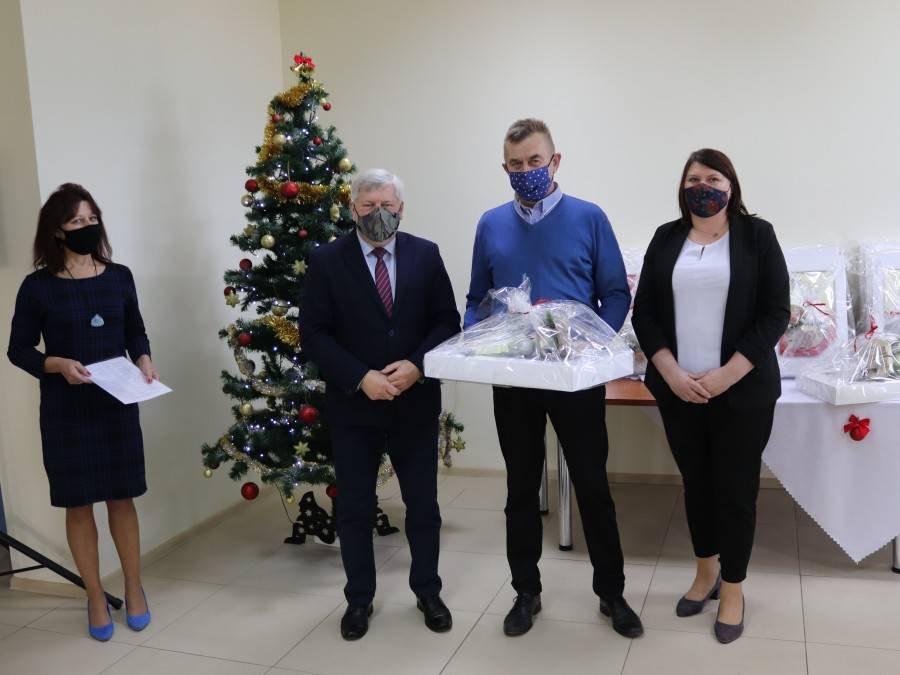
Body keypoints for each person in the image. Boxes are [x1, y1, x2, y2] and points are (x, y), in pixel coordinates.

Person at [464, 119, 643, 639]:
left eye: (535, 162)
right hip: (514, 378)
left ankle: (612, 593)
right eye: (516, 165)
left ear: (555, 161)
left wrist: (591, 344)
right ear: (505, 168)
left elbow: (615, 294)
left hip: (575, 377)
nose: (526, 171)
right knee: (521, 488)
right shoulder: (490, 225)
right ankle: (525, 591)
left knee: (592, 484)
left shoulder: (589, 218)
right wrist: (474, 343)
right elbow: (478, 300)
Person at [632, 149, 790, 643]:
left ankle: (734, 588)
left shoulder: (757, 235)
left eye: (713, 178)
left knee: (736, 490)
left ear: (731, 186)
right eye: (693, 179)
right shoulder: (666, 237)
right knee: (697, 483)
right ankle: (706, 572)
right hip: (679, 390)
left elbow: (775, 312)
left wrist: (728, 375)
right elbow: (644, 312)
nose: (703, 186)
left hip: (741, 390)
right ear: (682, 188)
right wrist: (671, 372)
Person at [299, 168, 461, 640]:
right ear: (352, 208)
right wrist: (359, 377)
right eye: (369, 206)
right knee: (353, 508)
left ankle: (428, 591)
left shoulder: (425, 254)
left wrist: (417, 365)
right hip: (355, 408)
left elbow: (446, 320)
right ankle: (358, 599)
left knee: (423, 506)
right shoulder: (327, 260)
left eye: (387, 205)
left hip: (415, 403)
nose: (379, 214)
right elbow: (314, 334)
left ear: (401, 208)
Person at [7, 183, 158, 642]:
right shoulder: (38, 287)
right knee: (79, 504)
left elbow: (136, 332)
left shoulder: (119, 276)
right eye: (77, 222)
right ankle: (94, 596)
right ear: (57, 231)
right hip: (66, 409)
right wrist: (55, 364)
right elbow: (18, 350)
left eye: (92, 219)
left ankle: (133, 587)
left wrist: (144, 359)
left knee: (122, 498)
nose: (88, 228)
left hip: (116, 403)